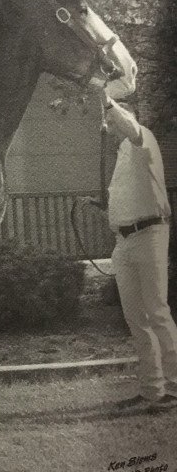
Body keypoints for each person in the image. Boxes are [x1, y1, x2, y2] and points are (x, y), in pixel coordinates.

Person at [81, 94, 177, 410]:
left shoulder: (141, 138)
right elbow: (128, 197)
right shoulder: (122, 152)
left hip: (150, 233)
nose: (107, 124)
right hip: (124, 240)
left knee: (157, 312)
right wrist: (103, 208)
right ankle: (153, 390)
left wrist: (104, 98)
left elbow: (129, 127)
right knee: (136, 317)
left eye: (112, 118)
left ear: (126, 115)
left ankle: (175, 387)